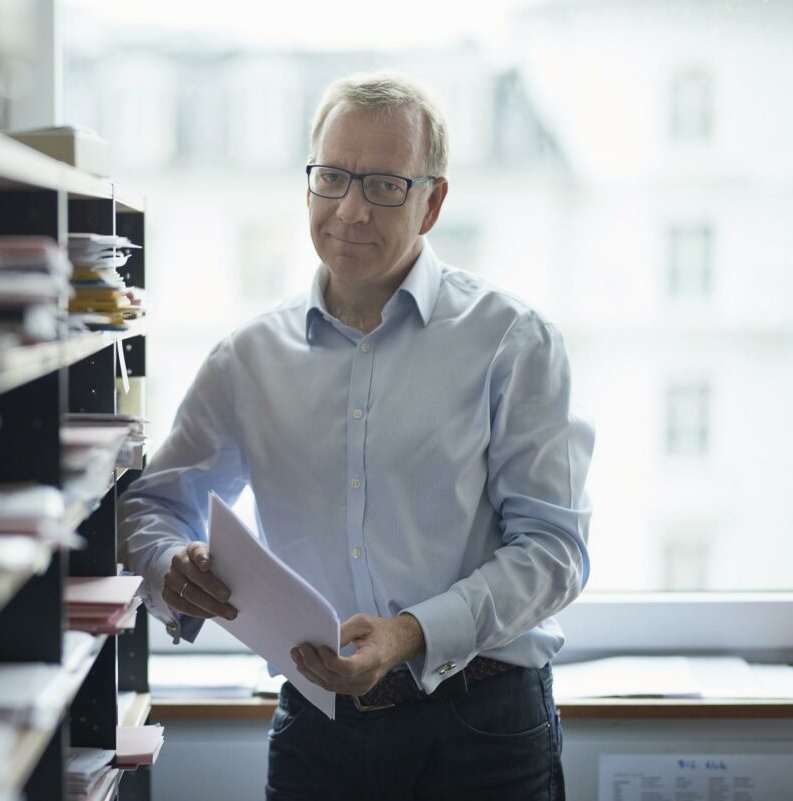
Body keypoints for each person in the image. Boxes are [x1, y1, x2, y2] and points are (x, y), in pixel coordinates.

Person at [117, 71, 593, 801]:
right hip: (320, 733)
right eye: (332, 177)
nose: (350, 210)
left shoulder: (513, 342)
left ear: (432, 201)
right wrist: (169, 564)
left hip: (485, 731)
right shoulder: (249, 358)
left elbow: (555, 552)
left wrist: (409, 634)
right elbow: (148, 509)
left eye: (383, 185)